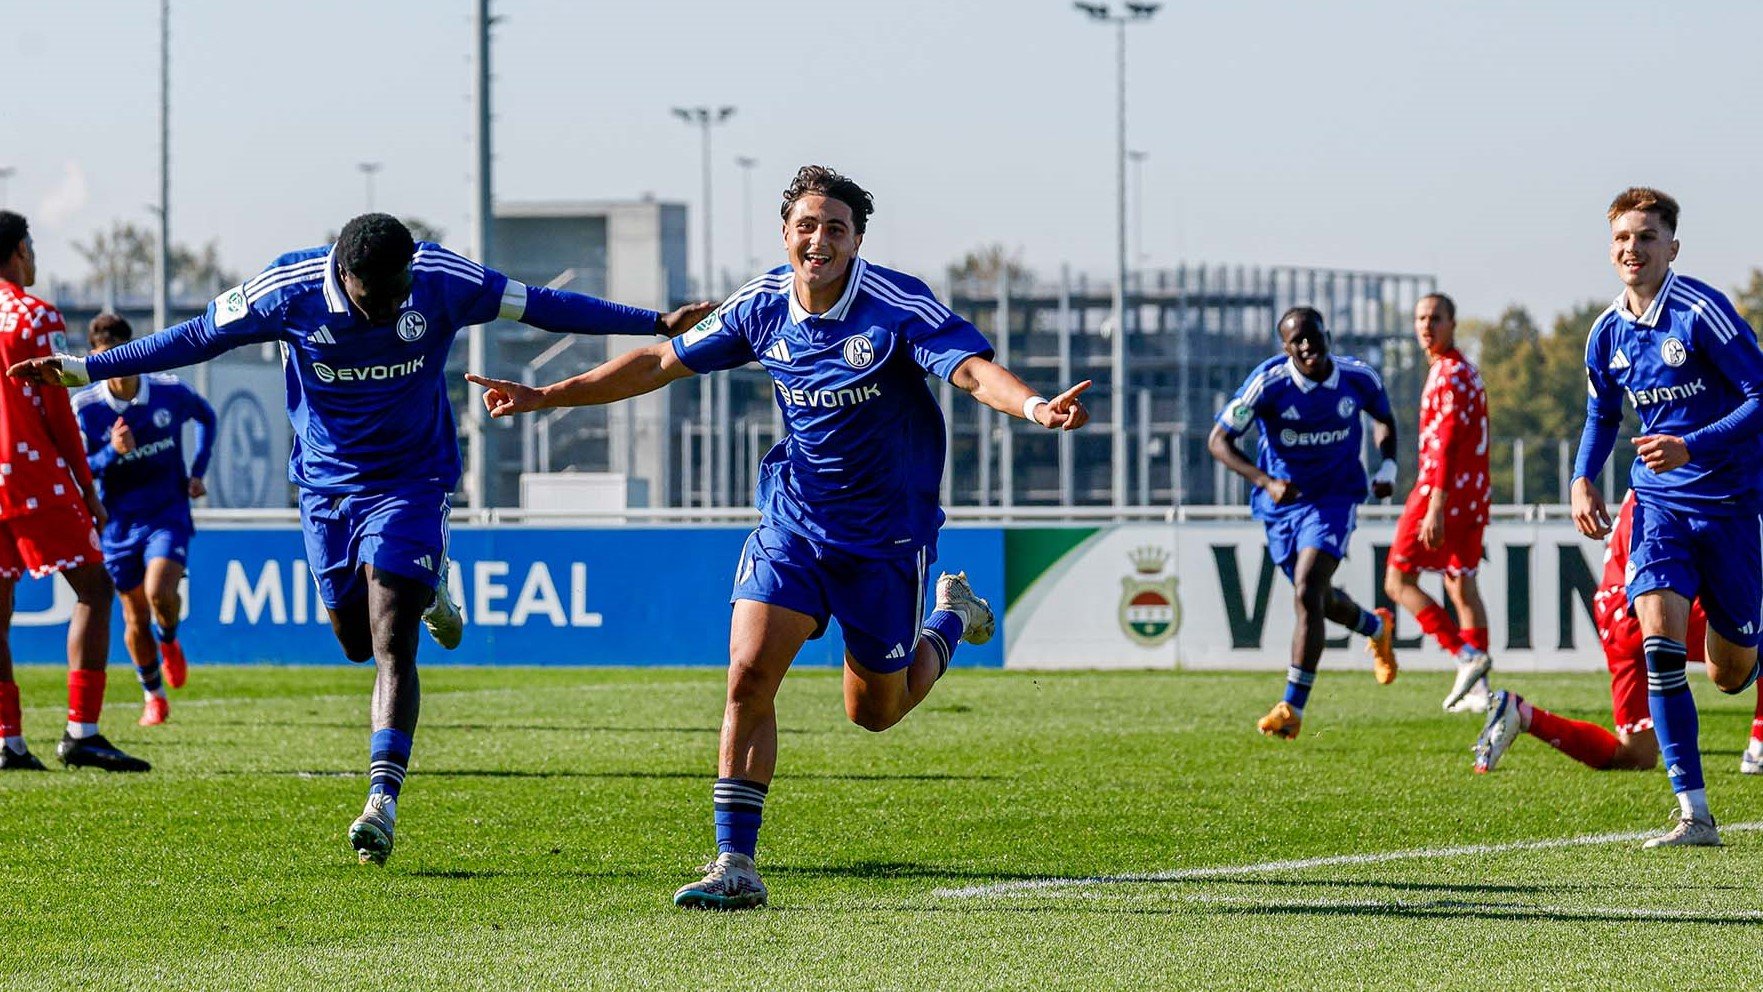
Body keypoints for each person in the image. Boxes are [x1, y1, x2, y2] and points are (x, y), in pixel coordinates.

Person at [463, 165, 1091, 910]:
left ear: (857, 240)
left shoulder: (894, 306)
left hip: (885, 540)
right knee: (749, 674)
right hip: (792, 523)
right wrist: (548, 395)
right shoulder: (760, 306)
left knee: (875, 711)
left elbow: (972, 373)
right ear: (785, 233)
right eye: (807, 226)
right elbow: (661, 361)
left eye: (835, 228)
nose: (819, 240)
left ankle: (952, 617)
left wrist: (1033, 408)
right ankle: (735, 862)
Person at [10, 213, 713, 858]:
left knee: (389, 636)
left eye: (397, 288)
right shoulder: (286, 289)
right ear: (341, 273)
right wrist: (85, 369)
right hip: (325, 489)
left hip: (412, 480)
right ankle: (433, 583)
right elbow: (195, 335)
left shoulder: (440, 278)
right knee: (351, 639)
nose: (388, 305)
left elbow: (541, 303)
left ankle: (382, 798)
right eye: (373, 294)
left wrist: (653, 319)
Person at [1569, 187, 1763, 848]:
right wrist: (1580, 480)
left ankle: (1749, 657)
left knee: (1730, 673)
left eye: (1646, 237)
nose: (1633, 249)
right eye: (1623, 238)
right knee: (1658, 645)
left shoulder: (1700, 312)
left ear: (1670, 248)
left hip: (1730, 507)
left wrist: (1692, 445)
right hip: (1656, 504)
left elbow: (1759, 395)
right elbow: (1600, 416)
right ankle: (1694, 812)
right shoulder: (1604, 333)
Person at [1206, 306, 1400, 740]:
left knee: (1307, 588)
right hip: (1282, 505)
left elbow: (1384, 419)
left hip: (1335, 498)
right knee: (1316, 598)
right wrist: (1265, 481)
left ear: (1327, 335)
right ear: (1285, 347)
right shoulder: (1269, 383)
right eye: (1297, 341)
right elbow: (1218, 440)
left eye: (1313, 336)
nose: (1307, 346)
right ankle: (1376, 626)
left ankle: (1292, 707)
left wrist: (1388, 465)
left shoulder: (1358, 378)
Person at [0, 211, 149, 772]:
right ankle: (81, 732)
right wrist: (88, 488)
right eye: (32, 246)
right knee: (94, 584)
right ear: (18, 251)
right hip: (29, 471)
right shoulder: (34, 315)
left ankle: (8, 740)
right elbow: (56, 406)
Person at [1475, 491, 1763, 774]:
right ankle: (1759, 747)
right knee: (1749, 634)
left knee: (1635, 754)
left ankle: (1523, 714)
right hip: (1650, 605)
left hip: (1615, 615)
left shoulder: (1659, 469)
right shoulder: (1684, 475)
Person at [73, 314, 216, 726]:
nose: (116, 370)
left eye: (122, 358)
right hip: (117, 523)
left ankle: (169, 639)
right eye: (105, 361)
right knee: (134, 617)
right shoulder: (85, 407)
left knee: (159, 592)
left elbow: (206, 416)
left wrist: (198, 471)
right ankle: (153, 695)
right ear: (94, 360)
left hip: (166, 512)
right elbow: (81, 468)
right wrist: (110, 453)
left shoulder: (167, 391)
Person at [1382, 293, 1494, 712]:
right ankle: (1480, 690)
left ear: (1452, 323)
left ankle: (1465, 657)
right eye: (1421, 318)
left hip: (1441, 491)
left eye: (1436, 318)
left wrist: (1435, 504)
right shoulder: (1466, 371)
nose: (1427, 326)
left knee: (1397, 580)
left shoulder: (1447, 374)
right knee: (1462, 585)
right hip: (1473, 492)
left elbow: (1445, 443)